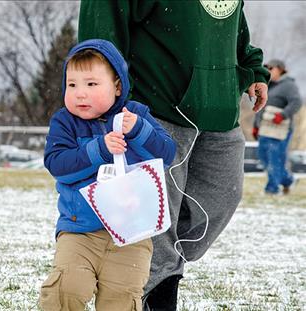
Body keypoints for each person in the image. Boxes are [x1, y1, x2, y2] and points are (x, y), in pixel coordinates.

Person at [78, 1, 270, 310]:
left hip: (220, 110)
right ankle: (148, 293)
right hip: (157, 109)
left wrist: (251, 68)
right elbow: (104, 22)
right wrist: (103, 92)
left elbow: (232, 27)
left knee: (223, 198)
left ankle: (141, 267)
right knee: (156, 220)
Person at [39, 39, 176, 311]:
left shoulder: (135, 114)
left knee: (122, 299)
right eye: (72, 85)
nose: (80, 94)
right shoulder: (65, 122)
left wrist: (138, 131)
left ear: (117, 86)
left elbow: (166, 154)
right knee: (67, 288)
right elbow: (57, 164)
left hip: (131, 234)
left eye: (91, 84)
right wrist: (98, 150)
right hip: (79, 232)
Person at [253, 59, 302, 195]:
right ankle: (288, 180)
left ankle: (272, 189)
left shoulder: (288, 85)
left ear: (280, 69)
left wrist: (283, 115)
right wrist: (256, 126)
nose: (268, 70)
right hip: (265, 128)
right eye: (266, 68)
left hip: (280, 129)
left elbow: (297, 102)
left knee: (274, 158)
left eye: (271, 68)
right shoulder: (269, 85)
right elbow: (261, 107)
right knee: (264, 157)